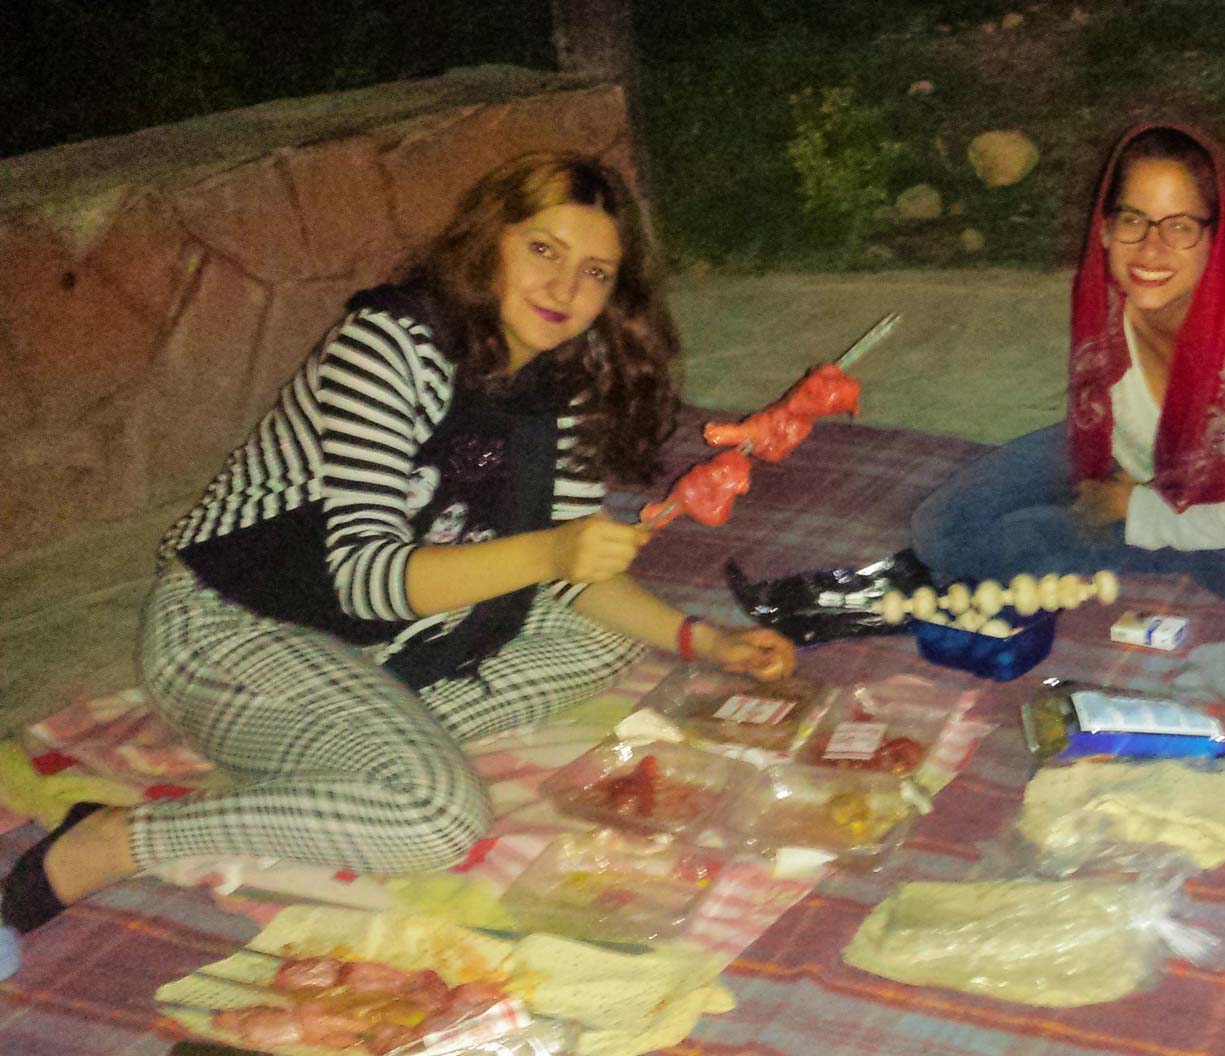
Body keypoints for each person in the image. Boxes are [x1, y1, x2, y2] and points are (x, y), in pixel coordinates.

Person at [0, 152, 796, 975]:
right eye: (544, 251)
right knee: (438, 818)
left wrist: (708, 643)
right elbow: (369, 580)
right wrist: (552, 551)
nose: (565, 289)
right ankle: (117, 838)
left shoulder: (559, 377)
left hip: (370, 646)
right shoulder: (389, 344)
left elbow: (570, 575)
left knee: (608, 640)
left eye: (594, 272)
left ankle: (348, 753)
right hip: (234, 626)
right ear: (491, 241)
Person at [910, 123, 1225, 608]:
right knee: (939, 532)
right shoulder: (1110, 296)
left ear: (1217, 239)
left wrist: (1134, 508)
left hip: (1221, 493)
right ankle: (1127, 536)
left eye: (1180, 226)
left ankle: (1137, 538)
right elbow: (1094, 419)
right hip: (1113, 448)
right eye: (1132, 220)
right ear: (1104, 227)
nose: (1150, 249)